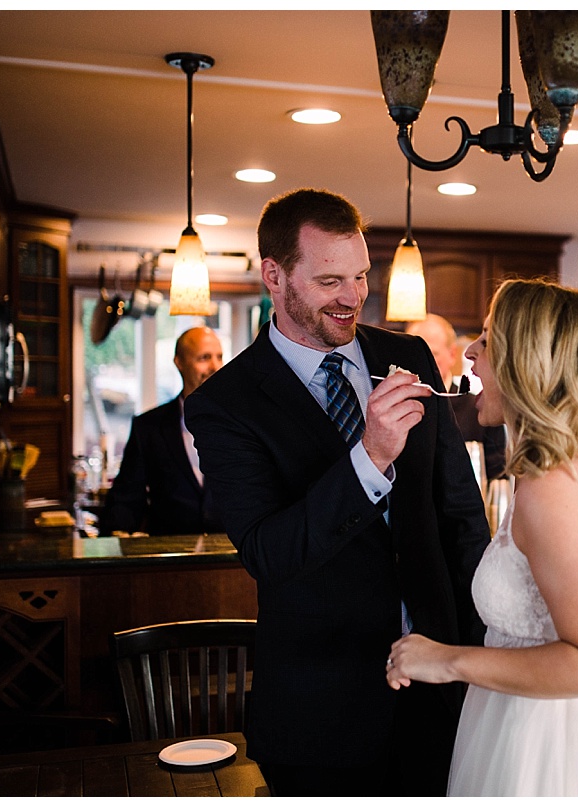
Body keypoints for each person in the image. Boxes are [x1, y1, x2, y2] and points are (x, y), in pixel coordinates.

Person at [183, 188, 491, 797]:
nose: (352, 297)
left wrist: (477, 652)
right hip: (319, 715)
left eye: (359, 276)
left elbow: (459, 513)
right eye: (329, 281)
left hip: (442, 692)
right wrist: (371, 456)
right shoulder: (224, 405)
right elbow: (269, 553)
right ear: (275, 275)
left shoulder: (408, 355)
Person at [385, 278, 578, 797]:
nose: (471, 354)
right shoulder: (551, 470)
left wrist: (447, 659)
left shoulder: (554, 487)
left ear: (526, 360)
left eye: (486, 338)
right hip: (522, 724)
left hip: (554, 751)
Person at [100, 326, 225, 536]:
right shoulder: (148, 427)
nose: (215, 366)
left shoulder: (244, 422)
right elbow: (127, 497)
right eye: (204, 358)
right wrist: (116, 534)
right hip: (169, 556)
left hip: (230, 556)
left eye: (219, 357)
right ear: (179, 363)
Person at [406, 313, 507, 481]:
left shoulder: (481, 409)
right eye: (414, 355)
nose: (422, 363)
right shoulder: (394, 408)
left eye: (433, 354)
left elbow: (497, 480)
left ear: (452, 354)